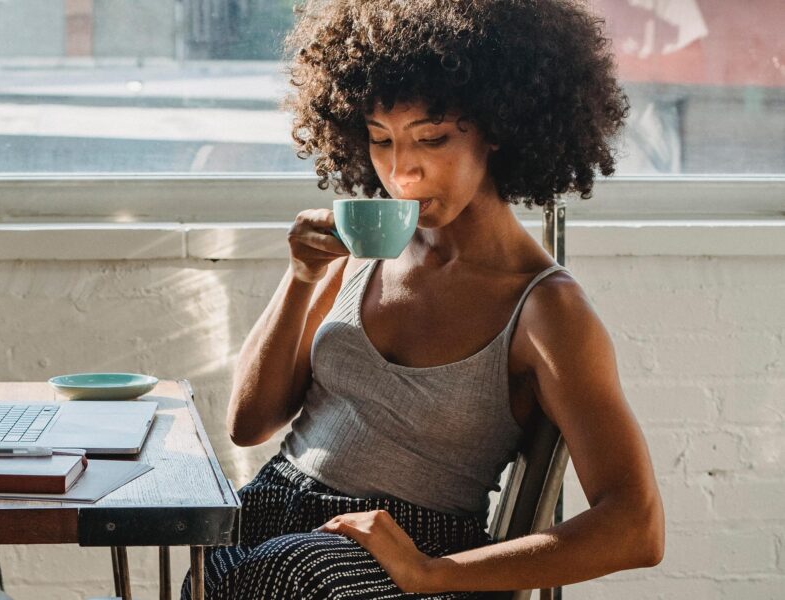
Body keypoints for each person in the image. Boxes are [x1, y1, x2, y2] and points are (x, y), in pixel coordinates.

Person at [183, 0, 664, 597]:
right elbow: (248, 426)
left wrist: (431, 573)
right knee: (200, 556)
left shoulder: (544, 308)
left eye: (430, 139)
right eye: (380, 141)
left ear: (499, 129)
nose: (400, 171)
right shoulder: (360, 251)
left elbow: (637, 526)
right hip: (270, 517)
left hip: (405, 551)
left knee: (289, 571)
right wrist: (302, 277)